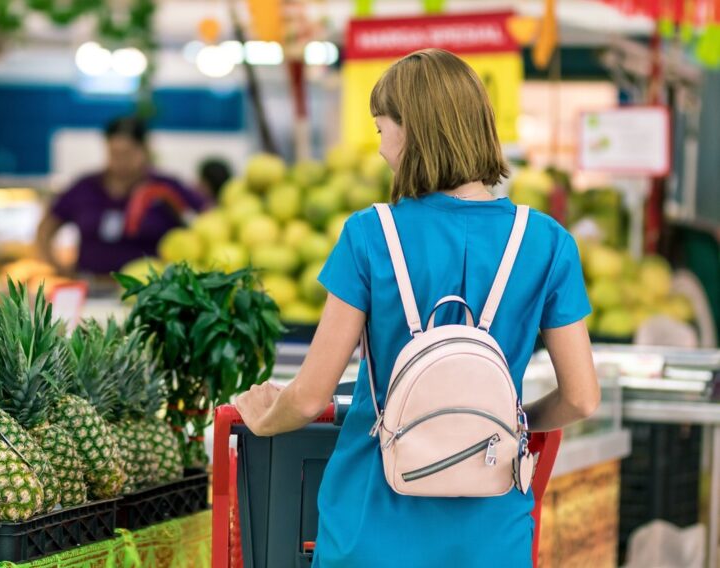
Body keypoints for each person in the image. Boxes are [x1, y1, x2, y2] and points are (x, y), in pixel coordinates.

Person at [234, 48, 600, 567]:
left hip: (371, 521)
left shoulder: (369, 235)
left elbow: (310, 391)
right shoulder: (545, 242)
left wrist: (262, 419)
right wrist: (513, 423)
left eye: (382, 130)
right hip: (492, 530)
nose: (381, 149)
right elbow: (583, 399)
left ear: (412, 132)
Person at [36, 116, 207, 276]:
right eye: (114, 154)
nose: (120, 161)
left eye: (127, 154)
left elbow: (206, 219)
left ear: (145, 150)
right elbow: (46, 228)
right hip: (91, 287)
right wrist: (58, 268)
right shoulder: (85, 187)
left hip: (150, 292)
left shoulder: (166, 188)